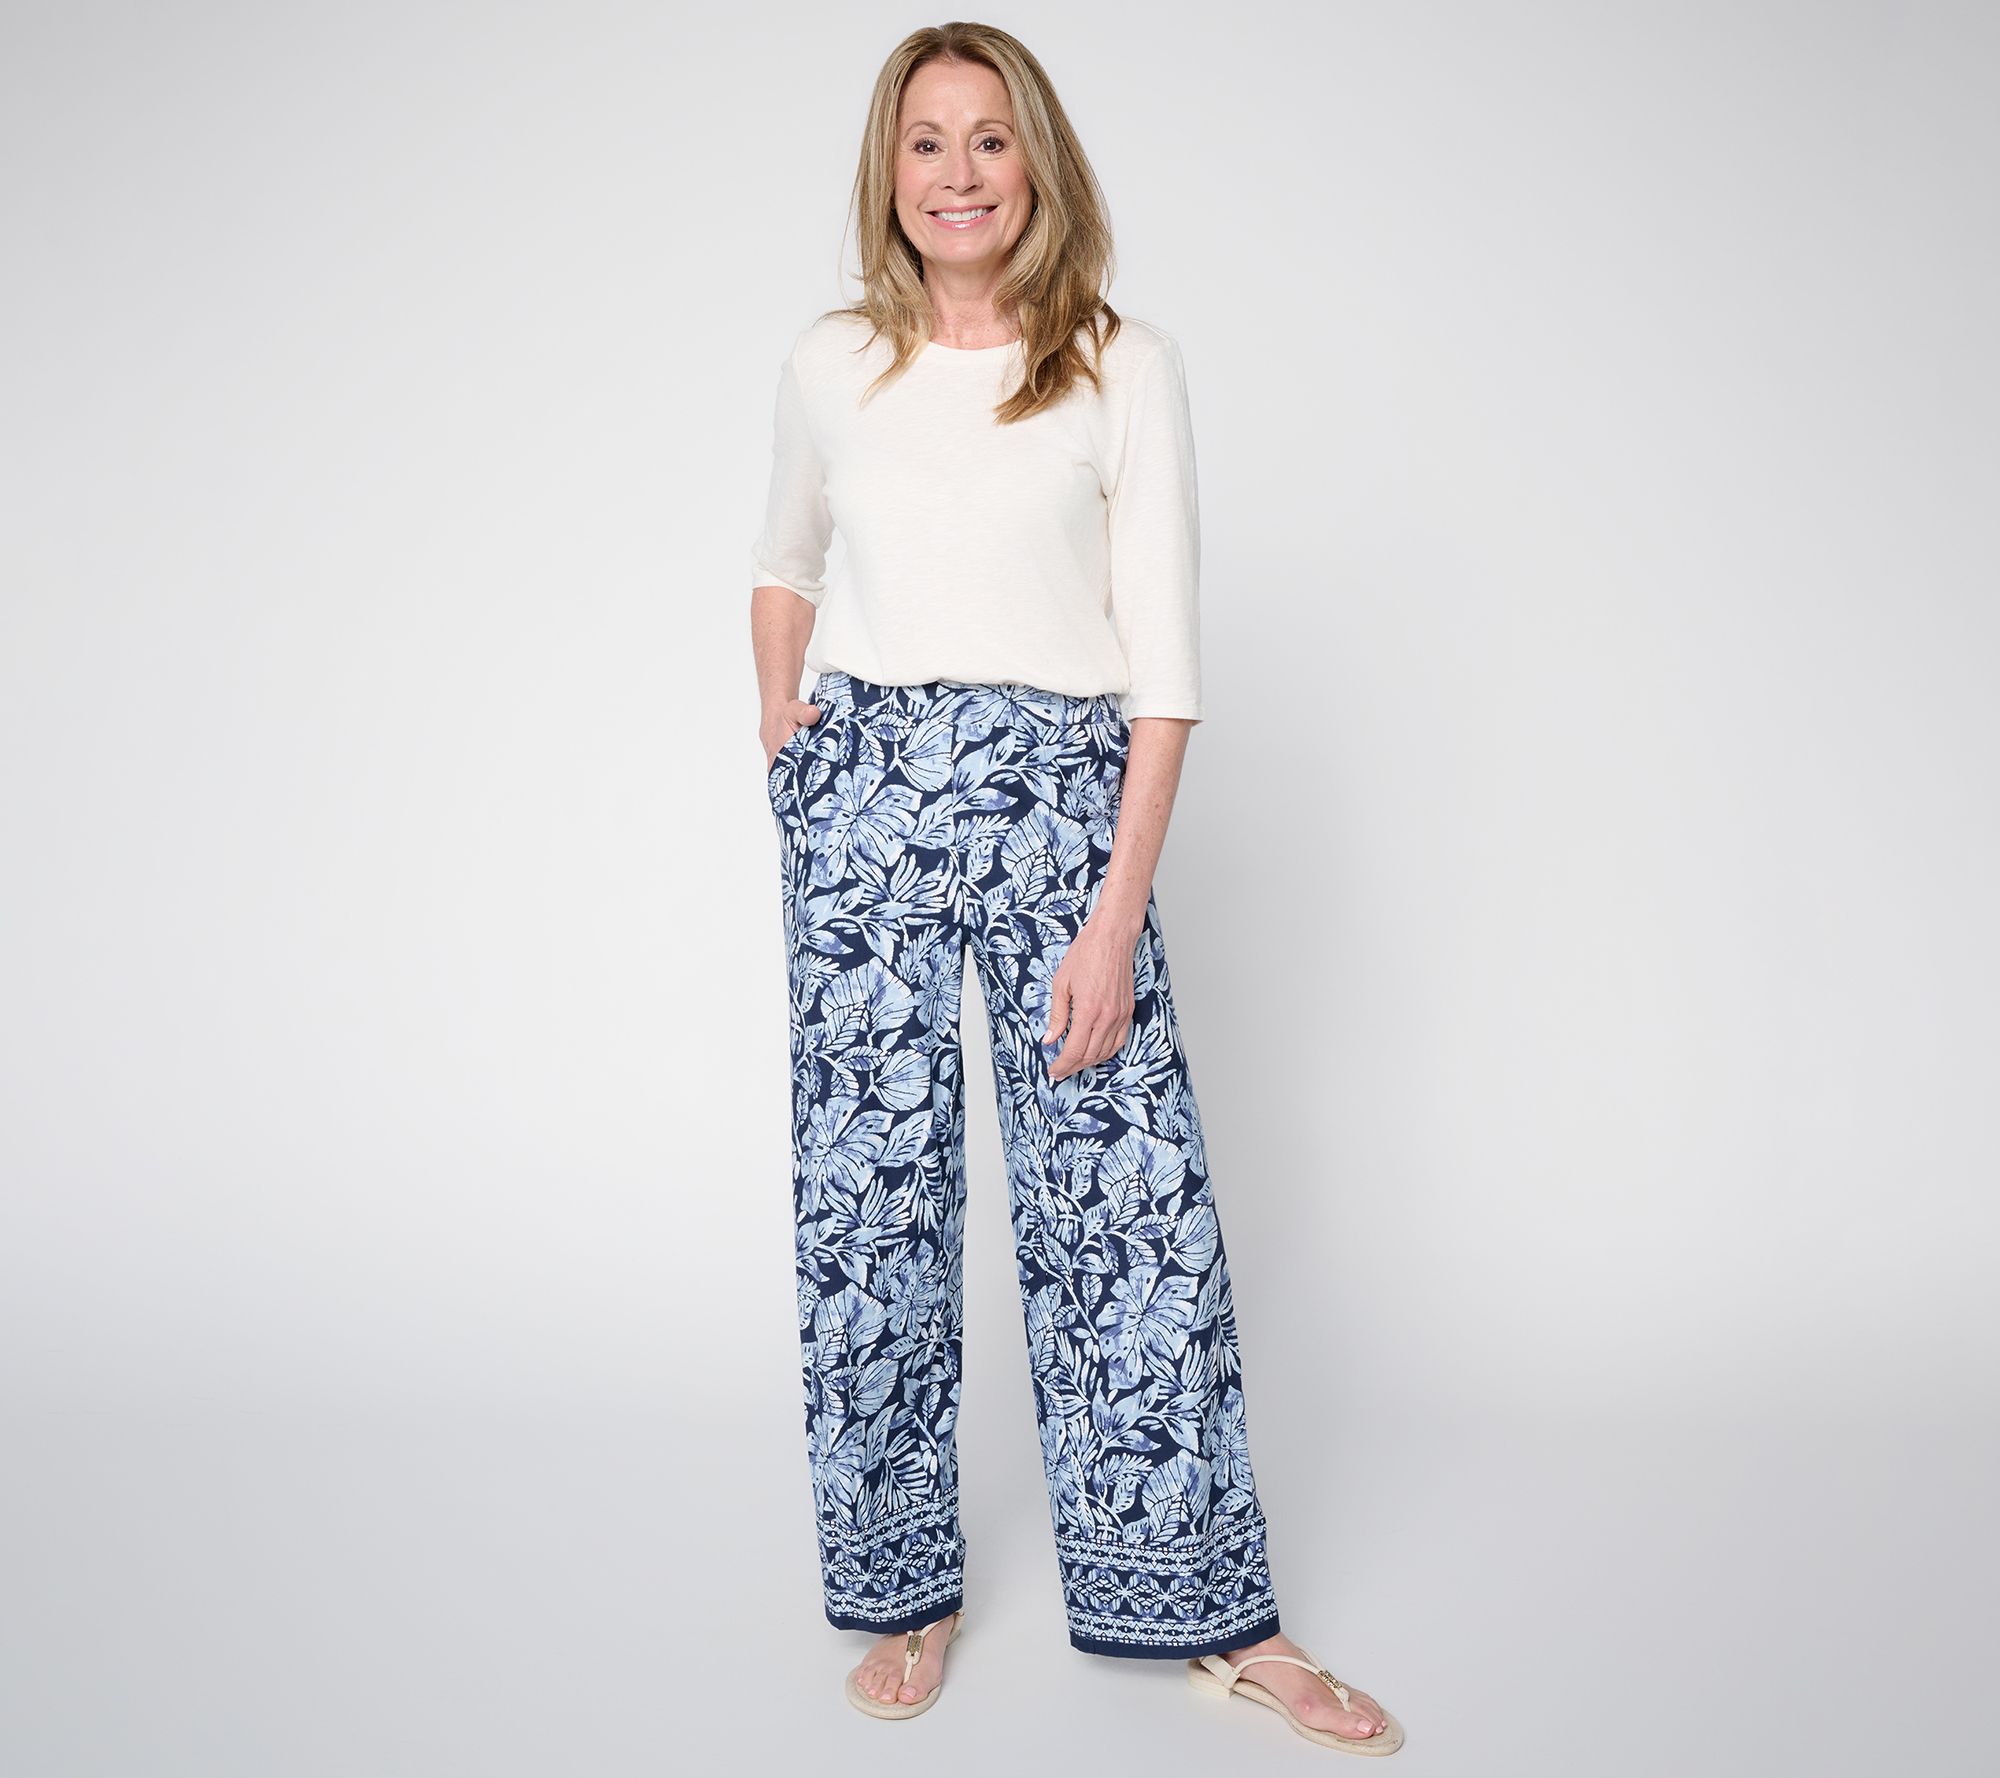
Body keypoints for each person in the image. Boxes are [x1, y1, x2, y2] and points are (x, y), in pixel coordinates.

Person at [748, 21, 1402, 1755]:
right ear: (889, 171)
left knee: (1129, 1207)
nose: (957, 172)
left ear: (1037, 163)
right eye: (926, 141)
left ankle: (1222, 1613)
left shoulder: (1121, 364)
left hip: (1059, 802)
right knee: (868, 1206)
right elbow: (783, 560)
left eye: (989, 139)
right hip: (866, 803)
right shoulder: (831, 364)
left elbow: (1163, 672)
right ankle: (901, 1589)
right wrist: (788, 739)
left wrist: (1112, 916)